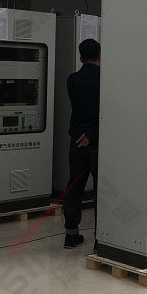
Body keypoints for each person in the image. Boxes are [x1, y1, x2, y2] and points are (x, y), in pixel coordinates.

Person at [63, 38, 100, 249]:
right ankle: (99, 239)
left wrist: (83, 134)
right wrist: (91, 134)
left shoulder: (72, 80)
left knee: (74, 187)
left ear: (80, 57)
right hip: (96, 142)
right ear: (99, 56)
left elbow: (79, 108)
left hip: (76, 141)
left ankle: (71, 235)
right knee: (100, 191)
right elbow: (104, 112)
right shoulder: (104, 79)